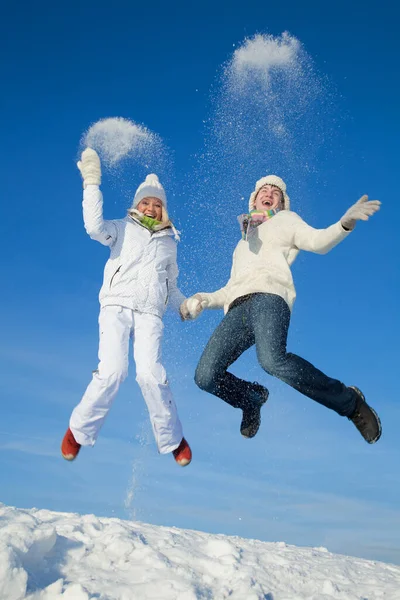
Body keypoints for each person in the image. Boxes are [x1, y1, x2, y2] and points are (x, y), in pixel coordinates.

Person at [181, 175, 382, 444]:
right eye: (263, 190)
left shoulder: (286, 220)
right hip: (237, 310)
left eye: (275, 192)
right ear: (253, 199)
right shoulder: (242, 241)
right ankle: (251, 399)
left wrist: (344, 223)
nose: (269, 193)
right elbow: (230, 289)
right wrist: (203, 299)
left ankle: (350, 403)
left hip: (270, 299)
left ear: (282, 202)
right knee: (205, 376)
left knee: (272, 360)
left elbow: (319, 242)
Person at [61, 148, 192, 466]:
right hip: (117, 306)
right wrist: (92, 183)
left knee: (150, 374)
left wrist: (184, 305)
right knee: (112, 372)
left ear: (163, 210)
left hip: (150, 313)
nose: (150, 206)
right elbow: (93, 227)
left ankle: (173, 439)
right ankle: (78, 432)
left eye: (156, 203)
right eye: (145, 201)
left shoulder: (170, 243)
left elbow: (170, 286)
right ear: (136, 205)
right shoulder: (120, 228)